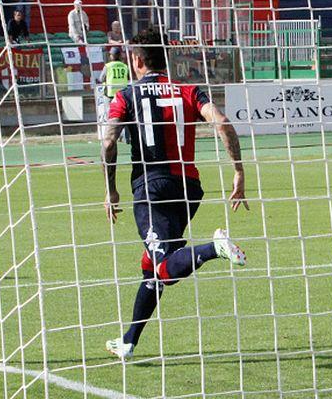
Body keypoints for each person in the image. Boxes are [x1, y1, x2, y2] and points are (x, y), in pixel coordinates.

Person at [101, 29, 249, 361]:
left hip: (151, 189)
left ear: (137, 60)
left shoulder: (126, 96)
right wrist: (238, 169)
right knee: (151, 266)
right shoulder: (188, 90)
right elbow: (222, 122)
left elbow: (109, 141)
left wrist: (111, 189)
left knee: (164, 265)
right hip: (188, 189)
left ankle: (215, 248)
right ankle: (129, 340)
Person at [96, 47, 129, 141]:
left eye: (111, 54)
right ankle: (127, 138)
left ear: (113, 55)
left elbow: (101, 79)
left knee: (111, 117)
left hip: (110, 94)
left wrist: (97, 81)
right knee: (125, 116)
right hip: (123, 94)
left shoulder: (108, 66)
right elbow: (127, 77)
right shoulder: (124, 66)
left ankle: (111, 137)